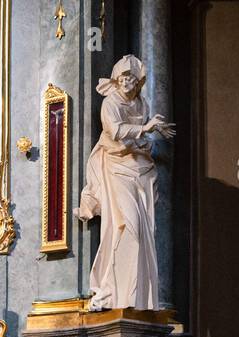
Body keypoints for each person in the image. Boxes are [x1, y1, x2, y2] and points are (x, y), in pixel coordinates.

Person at [74, 54, 178, 311]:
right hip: (116, 168)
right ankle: (109, 290)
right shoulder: (110, 103)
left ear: (139, 81)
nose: (127, 82)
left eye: (132, 78)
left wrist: (151, 131)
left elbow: (139, 132)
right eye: (123, 77)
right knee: (126, 226)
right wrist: (146, 129)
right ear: (116, 79)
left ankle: (136, 297)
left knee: (144, 231)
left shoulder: (141, 103)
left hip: (138, 167)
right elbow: (116, 131)